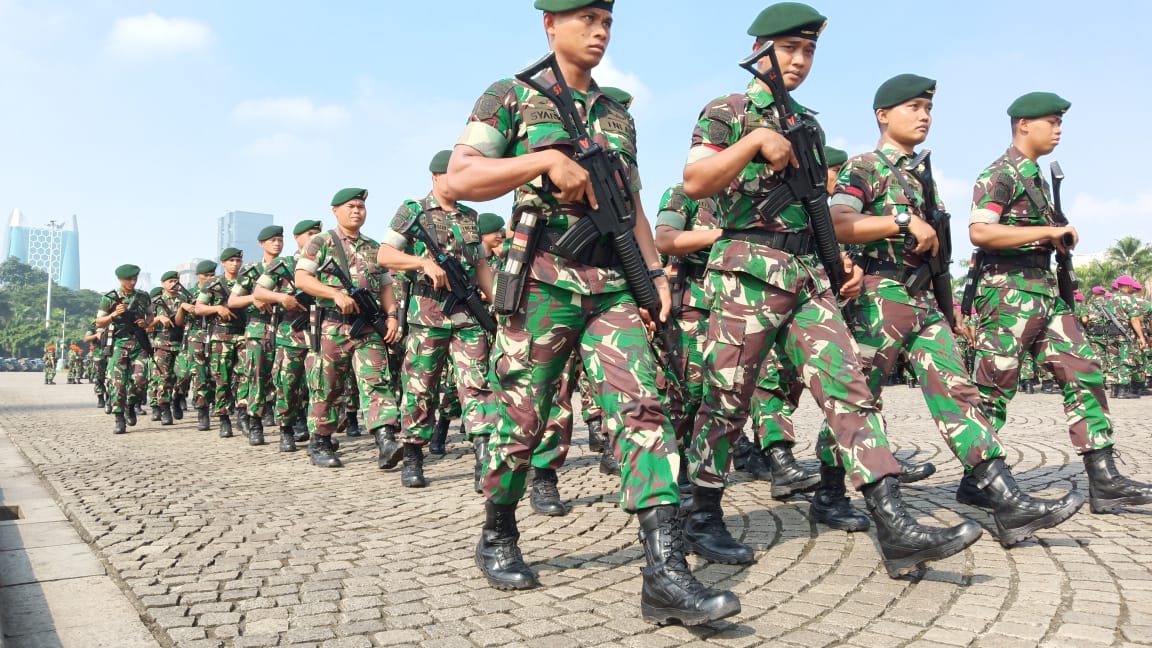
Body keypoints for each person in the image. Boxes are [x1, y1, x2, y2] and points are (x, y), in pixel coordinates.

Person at [446, 0, 738, 626]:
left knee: (644, 410)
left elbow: (629, 199)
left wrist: (654, 273)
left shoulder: (616, 114)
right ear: (549, 24)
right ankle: (498, 529)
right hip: (544, 281)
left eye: (607, 20)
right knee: (522, 420)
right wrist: (542, 161)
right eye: (585, 19)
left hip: (612, 284)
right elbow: (462, 176)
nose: (599, 31)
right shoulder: (511, 97)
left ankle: (664, 570)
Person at [682, 3, 983, 577]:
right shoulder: (729, 109)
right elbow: (696, 180)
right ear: (758, 49)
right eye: (789, 49)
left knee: (849, 389)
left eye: (809, 51)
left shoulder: (809, 125)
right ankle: (702, 513)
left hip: (807, 278)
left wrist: (836, 260)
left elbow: (816, 209)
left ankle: (893, 525)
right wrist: (753, 143)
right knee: (727, 397)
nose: (799, 61)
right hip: (746, 270)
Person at [827, 73, 1082, 539]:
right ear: (883, 115)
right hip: (878, 300)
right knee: (858, 398)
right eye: (912, 107)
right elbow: (838, 222)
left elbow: (940, 261)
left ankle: (1004, 498)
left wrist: (951, 312)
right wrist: (900, 220)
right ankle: (828, 491)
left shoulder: (923, 179)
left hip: (924, 302)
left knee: (959, 391)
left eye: (928, 108)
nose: (924, 115)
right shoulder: (863, 167)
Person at [968, 91, 1152, 513]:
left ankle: (1103, 479)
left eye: (1060, 121)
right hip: (1008, 290)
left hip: (1043, 290)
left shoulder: (1034, 179)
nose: (1059, 129)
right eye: (1051, 121)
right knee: (995, 386)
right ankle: (977, 478)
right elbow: (980, 233)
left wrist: (1056, 240)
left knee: (1083, 369)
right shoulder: (1001, 173)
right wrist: (1048, 234)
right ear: (1023, 125)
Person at [378, 150, 498, 488]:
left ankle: (483, 458)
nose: (459, 181)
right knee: (420, 388)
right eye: (452, 175)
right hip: (427, 316)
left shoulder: (471, 215)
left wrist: (500, 306)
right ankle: (413, 456)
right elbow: (385, 254)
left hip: (467, 316)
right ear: (435, 176)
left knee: (477, 386)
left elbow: (481, 267)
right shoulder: (413, 211)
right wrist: (422, 264)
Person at [295, 188, 401, 468]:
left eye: (361, 207)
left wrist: (392, 316)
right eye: (351, 206)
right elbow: (302, 279)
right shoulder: (321, 242)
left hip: (367, 326)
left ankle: (386, 439)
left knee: (377, 380)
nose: (357, 211)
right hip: (332, 325)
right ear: (335, 211)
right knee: (327, 385)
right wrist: (334, 294)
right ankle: (320, 440)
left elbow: (387, 286)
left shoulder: (374, 247)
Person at [254, 219, 322, 452]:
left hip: (320, 332)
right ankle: (286, 429)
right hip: (291, 332)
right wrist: (281, 298)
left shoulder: (325, 262)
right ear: (298, 238)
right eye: (310, 233)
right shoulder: (284, 264)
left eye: (318, 233)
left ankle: (319, 434)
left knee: (319, 384)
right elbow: (259, 291)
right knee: (287, 384)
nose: (315, 237)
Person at [229, 225, 287, 445]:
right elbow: (233, 301)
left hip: (284, 328)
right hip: (258, 329)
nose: (277, 243)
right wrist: (255, 298)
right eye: (272, 240)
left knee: (283, 378)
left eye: (280, 239)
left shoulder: (287, 267)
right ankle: (255, 423)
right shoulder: (252, 270)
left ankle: (287, 426)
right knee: (257, 378)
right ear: (262, 244)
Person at [95, 264, 153, 434]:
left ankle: (131, 404)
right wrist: (113, 315)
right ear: (120, 280)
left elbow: (150, 315)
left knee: (141, 381)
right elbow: (99, 322)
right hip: (119, 344)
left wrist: (146, 322)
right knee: (118, 384)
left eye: (135, 278)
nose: (133, 282)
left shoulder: (143, 297)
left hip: (138, 344)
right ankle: (119, 417)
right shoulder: (110, 298)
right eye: (129, 279)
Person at [196, 249, 247, 437]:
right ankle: (224, 418)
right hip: (221, 336)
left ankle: (243, 415)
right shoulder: (212, 283)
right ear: (223, 263)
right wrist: (217, 308)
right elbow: (199, 307)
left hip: (243, 334)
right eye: (231, 260)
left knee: (245, 376)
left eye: (238, 260)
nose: (235, 264)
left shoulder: (247, 281)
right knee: (222, 379)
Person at [178, 260, 219, 431]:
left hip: (216, 333)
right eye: (206, 276)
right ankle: (202, 410)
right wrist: (183, 308)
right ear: (198, 276)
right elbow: (178, 322)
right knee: (199, 373)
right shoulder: (187, 294)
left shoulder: (219, 289)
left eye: (212, 275)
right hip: (195, 336)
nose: (209, 278)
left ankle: (218, 406)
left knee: (216, 373)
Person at [149, 271, 187, 426]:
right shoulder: (155, 303)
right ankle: (164, 409)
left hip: (182, 344)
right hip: (162, 345)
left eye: (176, 281)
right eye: (170, 281)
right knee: (163, 379)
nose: (173, 284)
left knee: (184, 374)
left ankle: (178, 398)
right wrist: (158, 318)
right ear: (163, 283)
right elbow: (144, 325)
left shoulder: (184, 299)